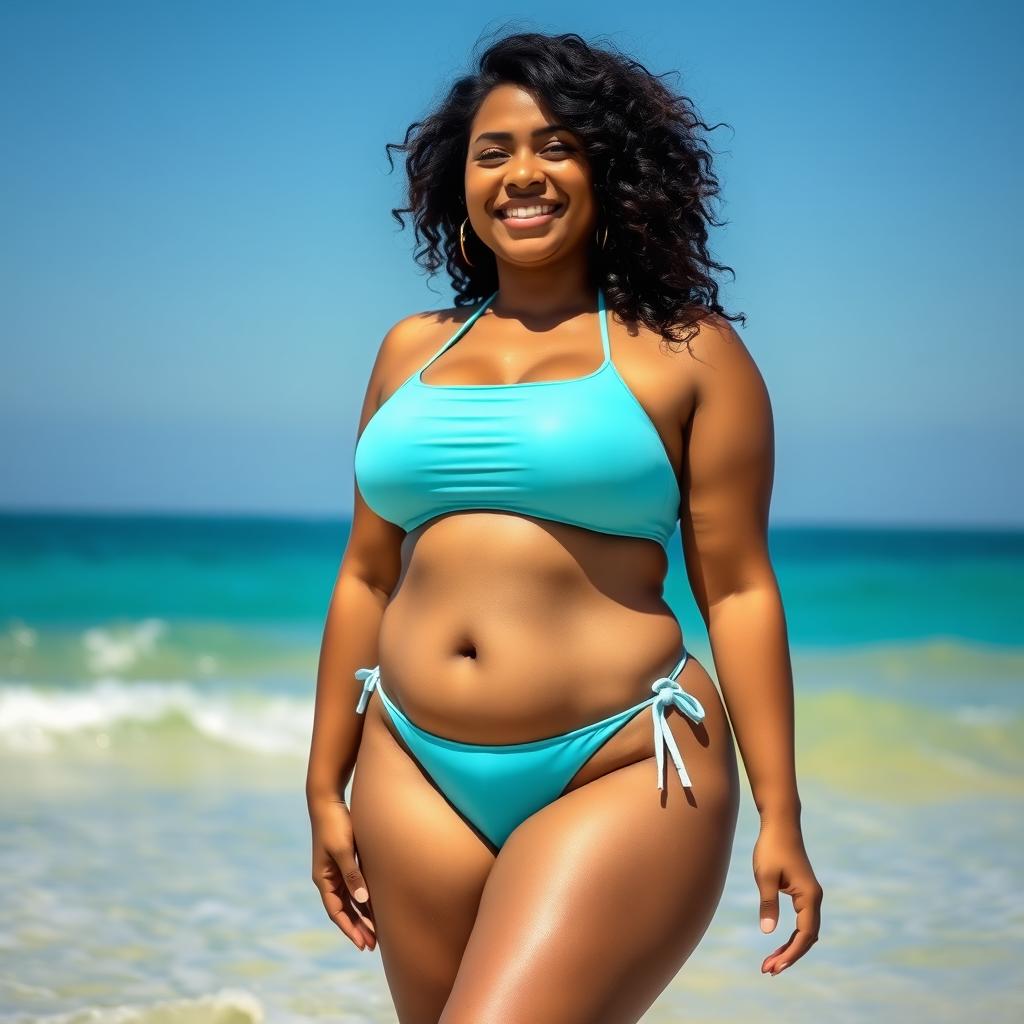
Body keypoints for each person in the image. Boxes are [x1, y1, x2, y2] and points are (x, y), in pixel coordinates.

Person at [306, 29, 823, 1024]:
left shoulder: (686, 353)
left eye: (555, 146)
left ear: (609, 170)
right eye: (491, 152)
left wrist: (782, 812)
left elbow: (738, 588)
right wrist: (323, 779)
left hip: (627, 756)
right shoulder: (408, 350)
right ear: (456, 183)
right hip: (410, 763)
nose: (520, 175)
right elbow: (367, 573)